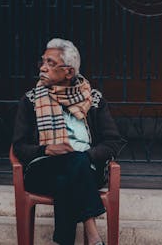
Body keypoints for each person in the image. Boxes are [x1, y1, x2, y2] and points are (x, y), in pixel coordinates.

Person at [12, 38, 121, 245]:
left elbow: (112, 143)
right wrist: (46, 150)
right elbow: (19, 147)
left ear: (69, 72)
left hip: (87, 168)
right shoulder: (31, 100)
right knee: (73, 166)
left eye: (50, 63)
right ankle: (93, 234)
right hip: (42, 170)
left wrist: (86, 156)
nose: (43, 68)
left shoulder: (94, 100)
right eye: (42, 62)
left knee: (70, 172)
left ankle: (63, 241)